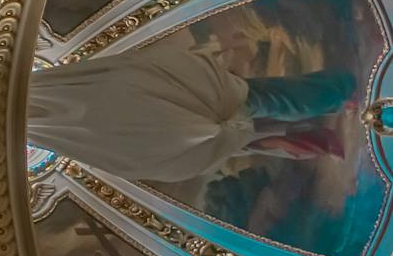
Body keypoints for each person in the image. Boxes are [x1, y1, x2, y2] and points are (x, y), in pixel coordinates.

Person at [27, 39, 356, 184]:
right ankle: (340, 95)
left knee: (268, 107)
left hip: (193, 117)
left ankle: (339, 96)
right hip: (192, 104)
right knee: (268, 104)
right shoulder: (58, 102)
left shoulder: (64, 127)